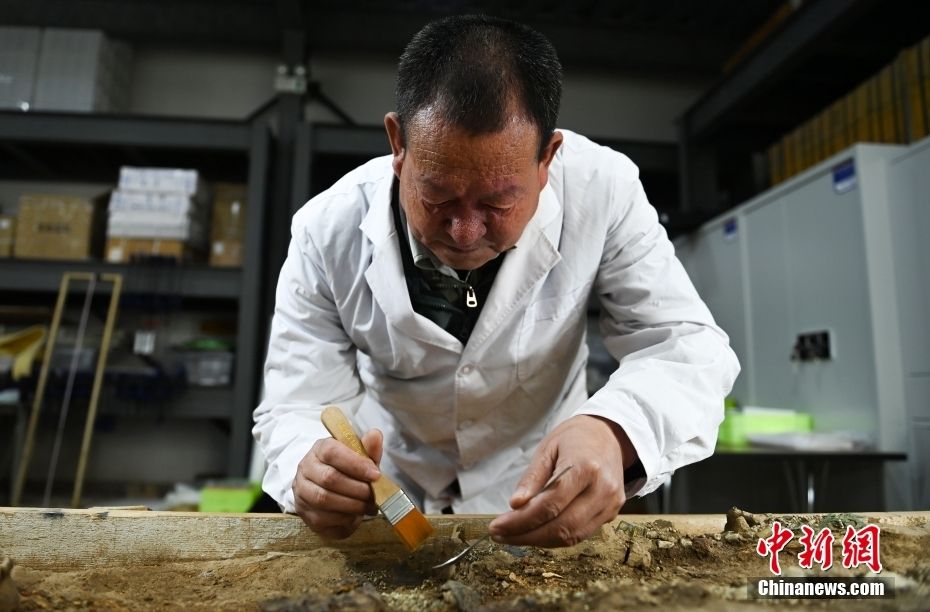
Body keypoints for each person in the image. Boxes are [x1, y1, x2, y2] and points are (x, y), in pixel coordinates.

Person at [253, 14, 739, 548]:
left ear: (547, 158)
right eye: (437, 196)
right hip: (390, 492)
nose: (465, 232)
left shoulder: (604, 191)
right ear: (398, 143)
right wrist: (309, 466)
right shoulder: (326, 230)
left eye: (498, 203)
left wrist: (613, 431)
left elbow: (685, 346)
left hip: (539, 485)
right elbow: (296, 403)